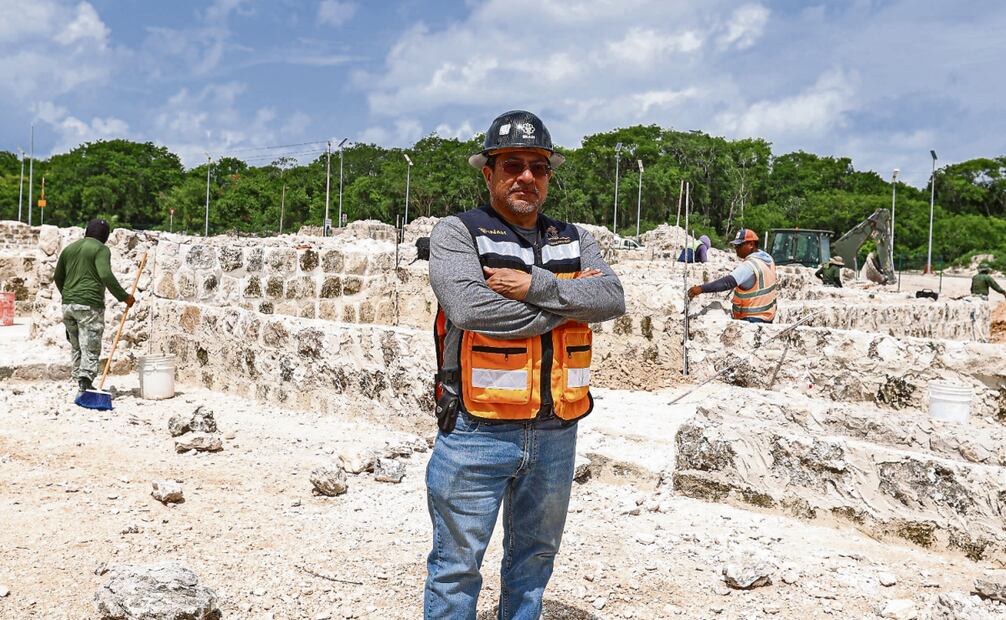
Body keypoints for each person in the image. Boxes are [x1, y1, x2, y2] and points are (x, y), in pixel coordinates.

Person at [425, 110, 625, 619]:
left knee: (534, 562)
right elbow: (471, 309)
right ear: (488, 173)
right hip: (476, 429)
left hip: (557, 430)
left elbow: (611, 297)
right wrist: (566, 304)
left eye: (538, 166)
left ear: (549, 176)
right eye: (511, 164)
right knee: (456, 568)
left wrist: (534, 287)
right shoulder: (458, 233)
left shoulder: (574, 238)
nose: (526, 177)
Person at [54, 219, 134, 393]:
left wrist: (68, 295)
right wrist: (124, 297)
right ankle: (86, 383)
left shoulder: (69, 249)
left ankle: (79, 382)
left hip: (68, 305)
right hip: (90, 305)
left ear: (87, 231)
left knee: (76, 345)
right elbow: (105, 274)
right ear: (105, 237)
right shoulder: (101, 249)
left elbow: (57, 276)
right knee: (90, 345)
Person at [687, 228, 777, 323]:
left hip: (752, 319)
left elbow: (727, 282)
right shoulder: (768, 259)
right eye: (735, 245)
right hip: (768, 316)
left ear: (751, 244)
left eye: (739, 245)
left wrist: (701, 289)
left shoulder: (750, 266)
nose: (736, 249)